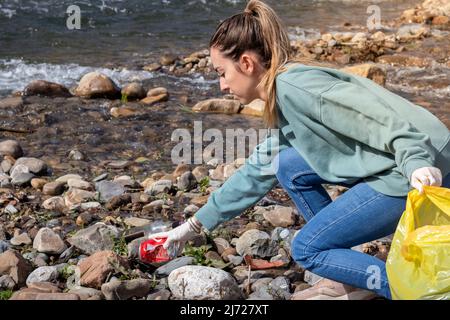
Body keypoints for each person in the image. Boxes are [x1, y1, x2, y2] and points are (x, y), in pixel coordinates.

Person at [149, 0, 450, 300]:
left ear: (246, 64)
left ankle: (410, 291)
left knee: (307, 248)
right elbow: (257, 171)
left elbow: (378, 117)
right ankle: (345, 272)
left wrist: (415, 161)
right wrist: (191, 226)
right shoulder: (283, 96)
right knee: (287, 164)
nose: (221, 86)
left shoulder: (298, 88)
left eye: (221, 72)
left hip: (420, 165)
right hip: (405, 157)